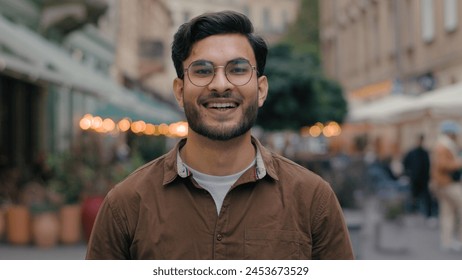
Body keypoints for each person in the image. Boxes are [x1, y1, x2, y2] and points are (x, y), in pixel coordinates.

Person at [86, 10, 353, 260]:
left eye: (238, 69)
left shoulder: (312, 200)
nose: (221, 85)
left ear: (261, 90)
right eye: (202, 71)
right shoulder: (125, 205)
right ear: (179, 91)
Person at [431, 120, 462, 252]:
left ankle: (447, 241)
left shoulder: (443, 145)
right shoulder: (444, 146)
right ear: (450, 133)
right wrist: (459, 163)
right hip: (447, 184)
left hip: (442, 184)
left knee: (447, 213)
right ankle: (456, 239)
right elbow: (443, 165)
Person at [402, 134, 433, 218]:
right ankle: (413, 213)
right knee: (413, 197)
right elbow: (405, 163)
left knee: (426, 197)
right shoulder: (411, 152)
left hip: (424, 180)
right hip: (414, 179)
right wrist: (408, 173)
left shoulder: (425, 153)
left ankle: (428, 215)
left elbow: (428, 165)